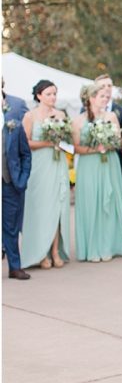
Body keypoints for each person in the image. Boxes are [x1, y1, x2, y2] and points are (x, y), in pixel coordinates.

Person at [72, 84, 122, 262]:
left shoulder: (111, 117)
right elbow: (76, 147)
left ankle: (110, 245)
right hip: (89, 165)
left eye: (106, 96)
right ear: (91, 98)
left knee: (110, 201)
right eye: (102, 96)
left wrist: (108, 144)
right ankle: (93, 247)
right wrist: (95, 149)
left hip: (109, 162)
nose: (106, 99)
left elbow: (118, 140)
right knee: (91, 202)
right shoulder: (78, 121)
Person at [20, 80, 71, 269]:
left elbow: (67, 139)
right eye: (49, 94)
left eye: (54, 93)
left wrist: (61, 142)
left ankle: (55, 250)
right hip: (39, 166)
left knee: (57, 207)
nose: (53, 97)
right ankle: (41, 253)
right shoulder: (30, 116)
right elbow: (25, 142)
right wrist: (48, 143)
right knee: (41, 208)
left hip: (58, 164)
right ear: (39, 96)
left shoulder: (61, 115)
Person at [2, 87, 32, 279]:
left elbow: (25, 154)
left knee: (10, 225)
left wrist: (22, 178)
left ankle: (14, 267)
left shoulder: (13, 118)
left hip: (9, 181)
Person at [94, 74, 122, 182]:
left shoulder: (121, 111)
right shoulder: (87, 111)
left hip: (116, 159)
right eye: (103, 86)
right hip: (94, 159)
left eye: (109, 85)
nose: (107, 88)